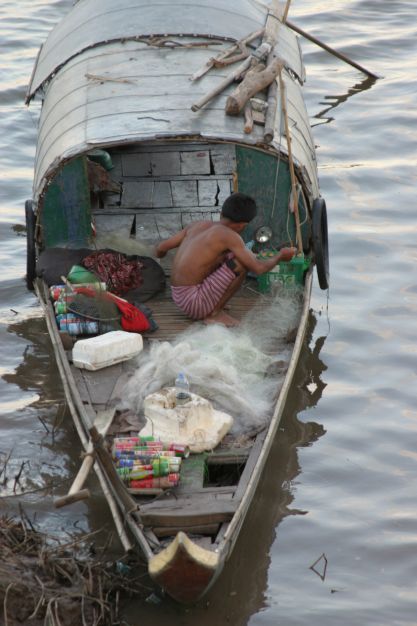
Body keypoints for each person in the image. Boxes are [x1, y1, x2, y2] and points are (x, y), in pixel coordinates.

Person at [155, 193, 296, 327]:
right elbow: (258, 269)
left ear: (222, 214)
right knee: (240, 263)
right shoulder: (230, 236)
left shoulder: (197, 225)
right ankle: (214, 314)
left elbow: (160, 249)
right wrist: (280, 256)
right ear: (243, 225)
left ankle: (211, 303)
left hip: (178, 296)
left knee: (227, 256)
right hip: (194, 304)